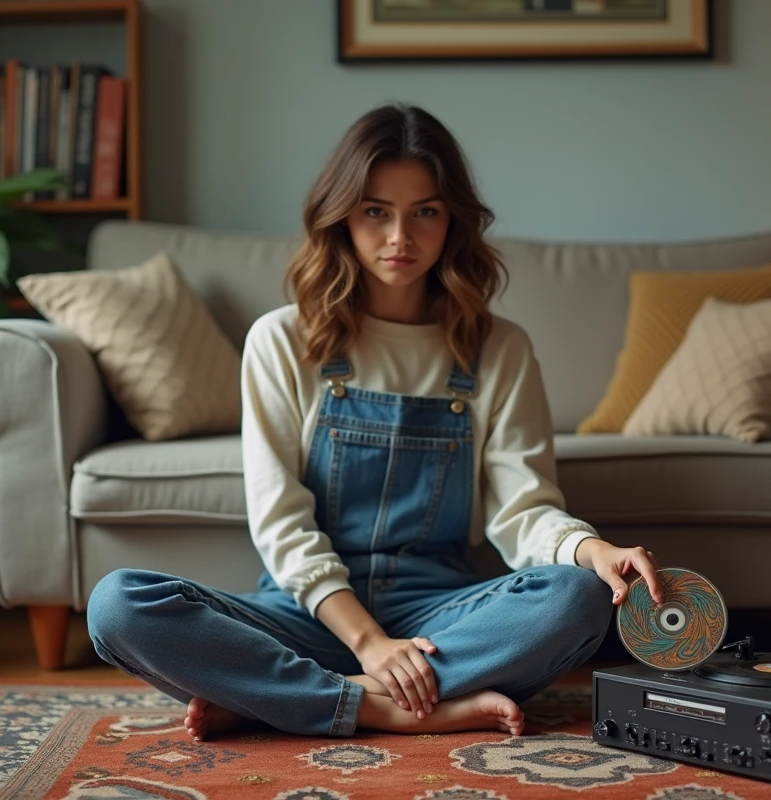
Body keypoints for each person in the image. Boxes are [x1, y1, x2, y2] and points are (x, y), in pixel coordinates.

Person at [87, 103, 663, 741]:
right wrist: (366, 643)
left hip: (439, 621)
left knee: (576, 598)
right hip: (306, 614)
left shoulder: (499, 347)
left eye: (425, 212)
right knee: (118, 605)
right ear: (341, 217)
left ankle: (280, 696)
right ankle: (381, 706)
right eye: (375, 211)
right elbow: (279, 523)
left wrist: (592, 550)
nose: (400, 238)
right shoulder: (282, 339)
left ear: (453, 220)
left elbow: (523, 510)